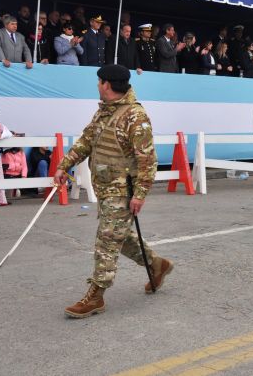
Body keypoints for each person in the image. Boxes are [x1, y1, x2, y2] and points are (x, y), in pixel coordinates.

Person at [55, 64, 174, 318]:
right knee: (119, 236)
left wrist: (140, 194)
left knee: (107, 239)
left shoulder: (135, 116)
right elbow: (86, 141)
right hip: (106, 188)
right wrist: (64, 166)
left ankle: (96, 296)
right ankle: (156, 265)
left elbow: (147, 160)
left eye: (99, 82)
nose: (97, 86)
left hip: (123, 189)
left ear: (107, 84)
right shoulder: (104, 113)